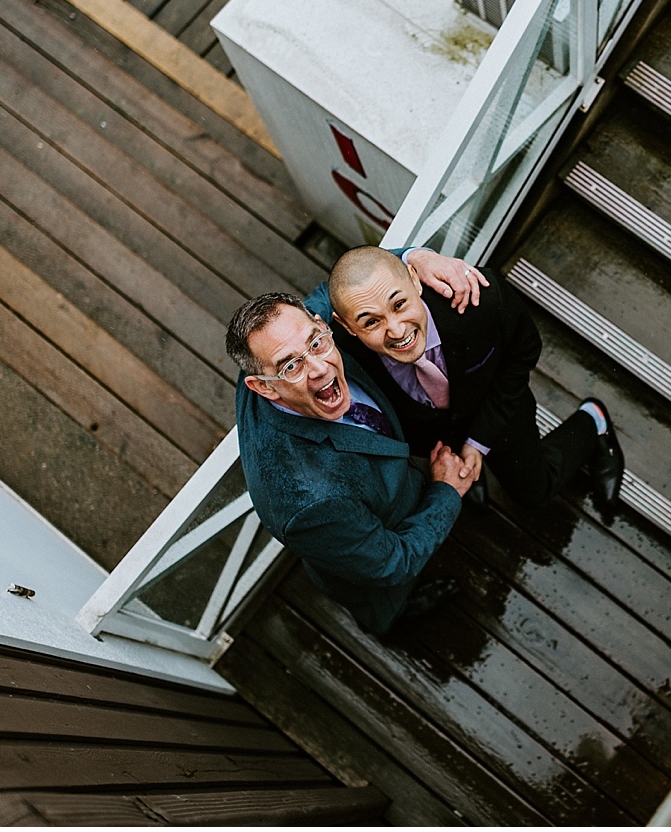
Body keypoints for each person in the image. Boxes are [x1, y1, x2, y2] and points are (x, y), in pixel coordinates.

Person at [227, 288, 474, 635]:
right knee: (383, 603)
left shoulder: (284, 339)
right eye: (292, 366)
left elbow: (336, 289)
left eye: (316, 343)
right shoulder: (311, 505)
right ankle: (392, 622)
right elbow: (391, 561)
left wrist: (412, 257)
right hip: (364, 556)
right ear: (263, 387)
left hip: (392, 483)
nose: (319, 368)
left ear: (320, 325)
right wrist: (446, 493)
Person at [307, 245, 624, 510]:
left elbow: (523, 354)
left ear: (415, 281)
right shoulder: (337, 354)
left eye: (400, 304)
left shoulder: (483, 300)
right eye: (371, 322)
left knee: (533, 492)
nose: (397, 330)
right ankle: (468, 479)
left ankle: (592, 422)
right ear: (346, 327)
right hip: (431, 440)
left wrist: (478, 442)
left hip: (498, 413)